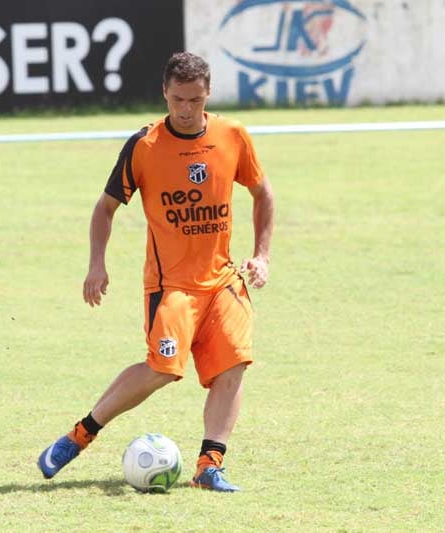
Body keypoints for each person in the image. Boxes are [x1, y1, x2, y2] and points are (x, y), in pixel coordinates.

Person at [38, 51, 274, 492]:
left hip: (223, 281)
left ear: (208, 95)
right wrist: (97, 264)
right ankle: (80, 435)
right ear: (165, 93)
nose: (186, 110)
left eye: (196, 101)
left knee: (233, 366)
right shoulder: (144, 146)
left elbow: (263, 194)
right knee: (163, 368)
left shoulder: (233, 136)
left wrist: (261, 255)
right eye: (178, 99)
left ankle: (209, 466)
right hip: (172, 288)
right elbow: (105, 209)